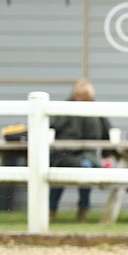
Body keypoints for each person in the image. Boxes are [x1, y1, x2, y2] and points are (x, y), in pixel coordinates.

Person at [49, 79, 111, 222]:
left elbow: (106, 132)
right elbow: (52, 126)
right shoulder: (64, 109)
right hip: (63, 154)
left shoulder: (96, 111)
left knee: (86, 167)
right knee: (60, 173)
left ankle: (83, 209)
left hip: (87, 154)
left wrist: (107, 154)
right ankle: (51, 209)